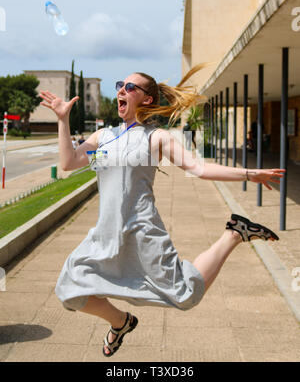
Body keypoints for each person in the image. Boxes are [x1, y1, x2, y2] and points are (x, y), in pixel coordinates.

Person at [39, 72, 285, 358]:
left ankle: (234, 233)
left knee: (186, 296)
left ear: (147, 99)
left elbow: (199, 169)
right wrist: (62, 119)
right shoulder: (105, 140)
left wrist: (249, 174)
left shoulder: (155, 139)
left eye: (130, 87)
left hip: (143, 234)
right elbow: (69, 163)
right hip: (105, 236)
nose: (121, 90)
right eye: (120, 85)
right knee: (69, 289)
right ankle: (121, 322)